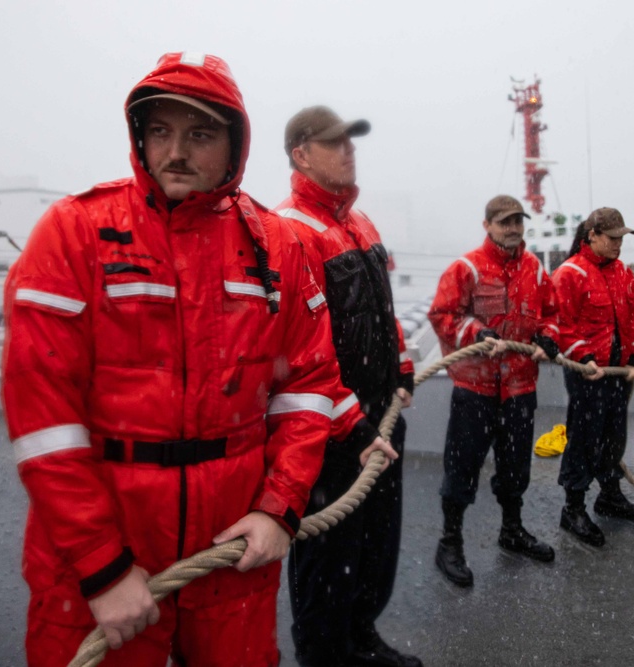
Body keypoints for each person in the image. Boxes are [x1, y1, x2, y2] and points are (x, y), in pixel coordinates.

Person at [0, 53, 380, 667]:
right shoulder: (74, 231)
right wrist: (102, 567)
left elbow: (308, 384)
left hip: (233, 551)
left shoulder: (276, 244)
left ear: (234, 146)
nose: (175, 151)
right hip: (98, 561)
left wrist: (278, 508)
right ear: (139, 136)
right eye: (160, 130)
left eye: (199, 133)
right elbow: (43, 421)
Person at [276, 106, 420, 667]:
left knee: (375, 547)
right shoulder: (290, 230)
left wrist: (403, 369)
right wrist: (351, 423)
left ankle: (361, 637)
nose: (349, 150)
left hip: (380, 419)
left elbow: (385, 315)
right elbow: (300, 348)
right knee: (328, 555)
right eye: (334, 143)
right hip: (331, 432)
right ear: (301, 154)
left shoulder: (360, 226)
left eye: (351, 141)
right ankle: (326, 654)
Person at [427, 194, 560, 588]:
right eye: (505, 222)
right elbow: (443, 314)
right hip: (475, 389)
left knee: (516, 466)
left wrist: (549, 339)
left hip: (520, 388)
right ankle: (449, 543)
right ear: (487, 225)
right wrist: (476, 332)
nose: (513, 228)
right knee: (462, 468)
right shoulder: (466, 267)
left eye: (518, 221)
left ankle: (512, 530)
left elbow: (552, 315)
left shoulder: (535, 269)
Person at [552, 207, 634, 548]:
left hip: (618, 373)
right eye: (613, 238)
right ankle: (573, 506)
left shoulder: (623, 273)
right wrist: (585, 356)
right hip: (587, 374)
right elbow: (561, 324)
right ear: (591, 235)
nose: (618, 245)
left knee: (613, 434)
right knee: (584, 436)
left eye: (622, 238)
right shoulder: (569, 274)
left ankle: (609, 493)